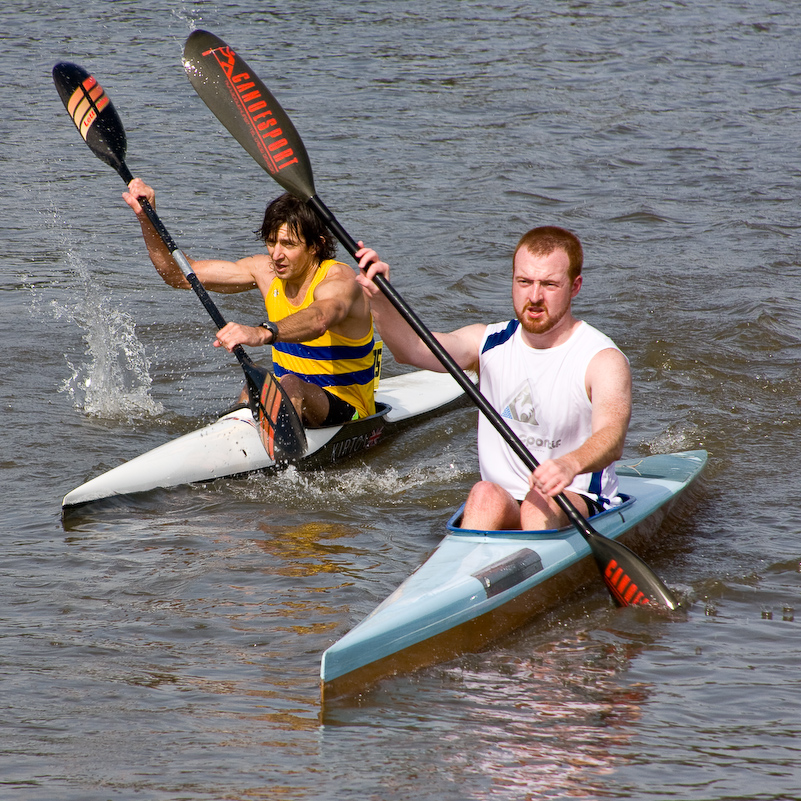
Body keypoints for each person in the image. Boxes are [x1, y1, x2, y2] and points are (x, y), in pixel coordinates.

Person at [355, 226, 631, 531]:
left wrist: (569, 464)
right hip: (506, 502)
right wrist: (379, 299)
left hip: (577, 499)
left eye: (549, 285)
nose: (535, 296)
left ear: (575, 286)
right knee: (482, 494)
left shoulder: (602, 359)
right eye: (524, 282)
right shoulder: (488, 342)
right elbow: (411, 349)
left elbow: (612, 437)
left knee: (540, 502)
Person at [123, 179, 377, 427]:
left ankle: (284, 463)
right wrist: (147, 217)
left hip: (351, 412)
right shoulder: (265, 272)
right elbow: (178, 275)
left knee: (288, 383)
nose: (276, 254)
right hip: (292, 400)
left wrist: (261, 332)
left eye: (288, 244)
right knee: (255, 387)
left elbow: (319, 319)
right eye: (271, 242)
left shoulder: (340, 280)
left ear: (315, 246)